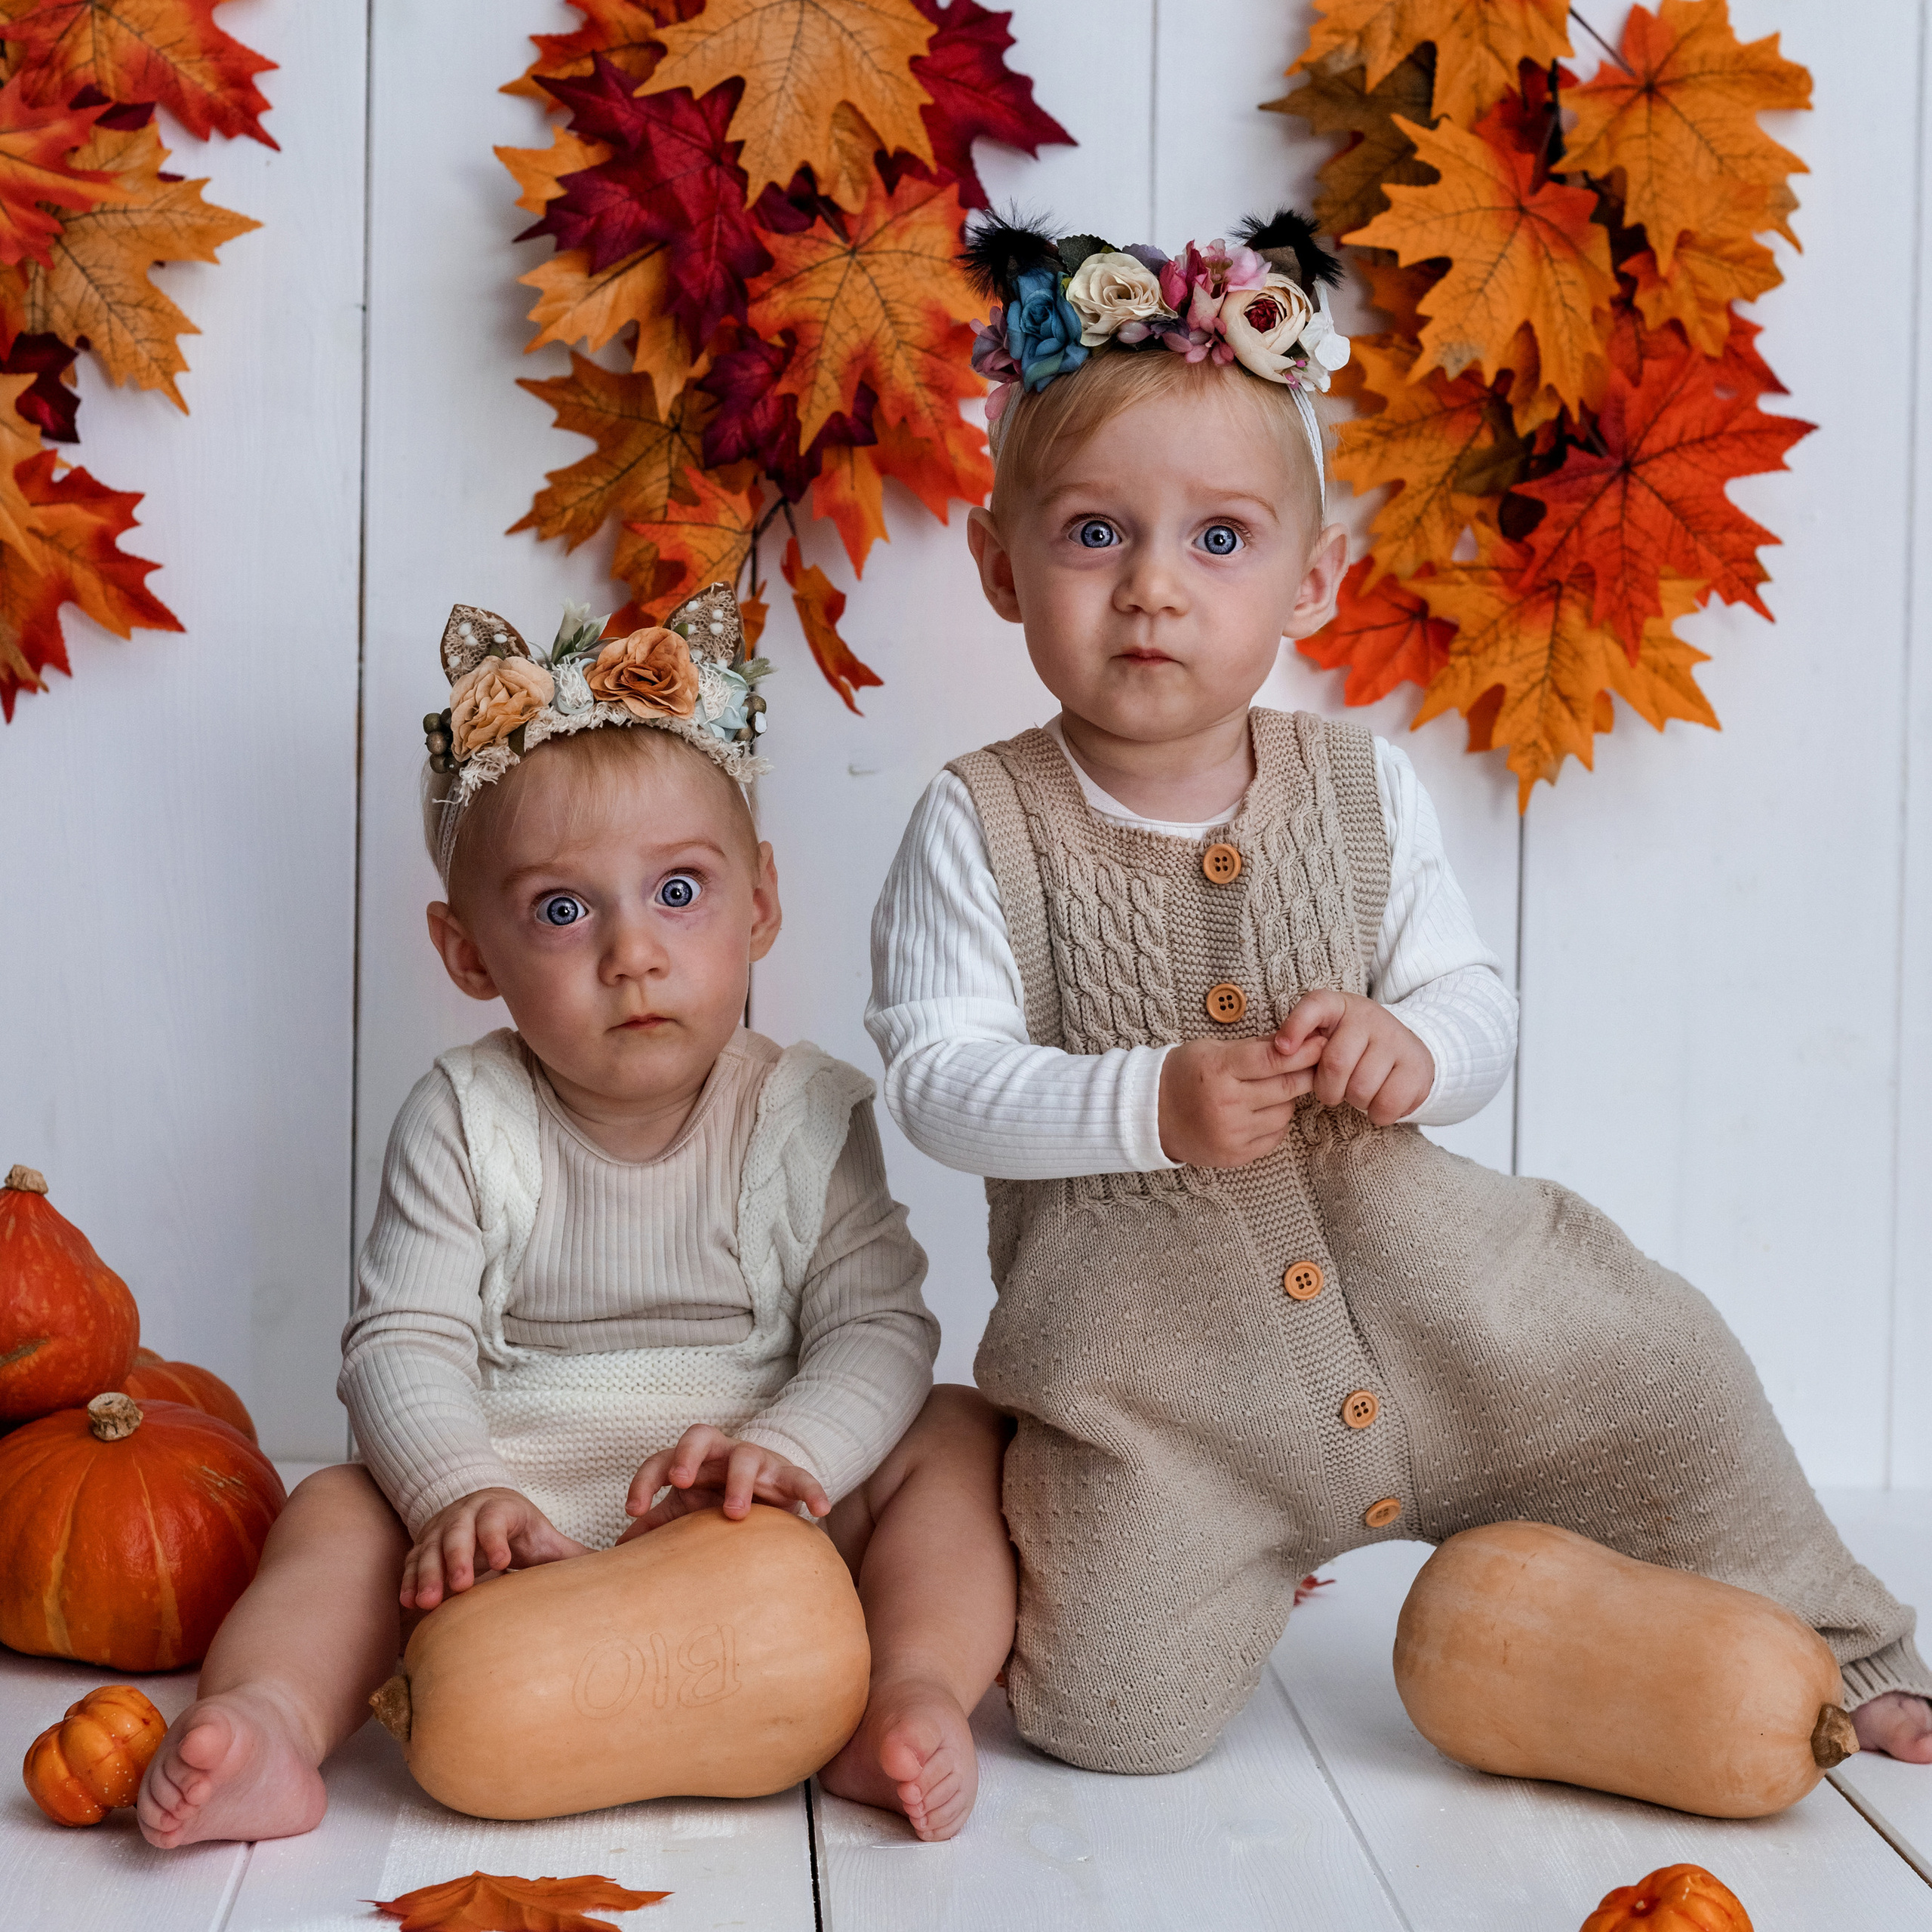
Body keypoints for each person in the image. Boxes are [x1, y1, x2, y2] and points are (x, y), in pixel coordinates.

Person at [866, 209, 1932, 1778]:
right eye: (1093, 532)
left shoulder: (1357, 788)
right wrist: (1137, 1099)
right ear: (999, 564)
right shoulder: (977, 818)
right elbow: (933, 1076)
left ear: (1310, 577)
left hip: (1453, 1323)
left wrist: (1409, 1044)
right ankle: (1147, 1536)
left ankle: (1845, 1635)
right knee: (1105, 1721)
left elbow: (1474, 999)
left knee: (1662, 1370)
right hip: (1165, 1401)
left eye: (1216, 538)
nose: (1152, 588)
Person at [138, 585, 1015, 1853]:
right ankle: (271, 1718)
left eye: (680, 892)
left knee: (954, 1435)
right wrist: (456, 1492)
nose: (632, 954)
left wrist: (796, 1450)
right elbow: (402, 1342)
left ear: (761, 901)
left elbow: (877, 1328)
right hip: (520, 1478)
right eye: (562, 910)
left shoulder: (803, 1113)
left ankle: (913, 1688)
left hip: (749, 1494)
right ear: (467, 952)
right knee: (334, 1509)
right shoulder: (466, 1116)